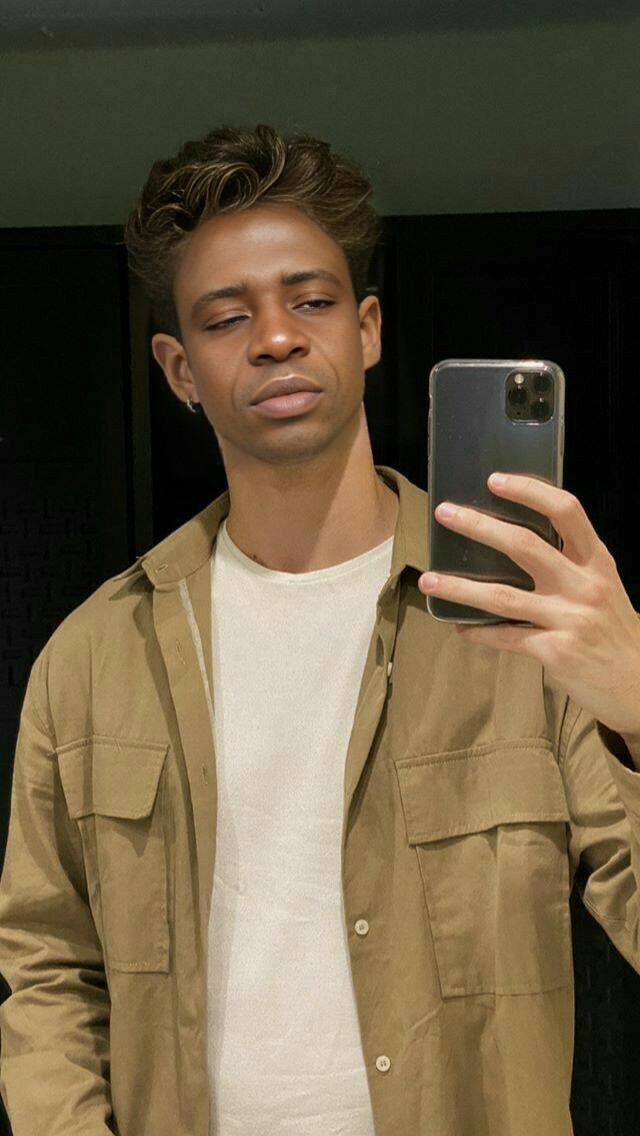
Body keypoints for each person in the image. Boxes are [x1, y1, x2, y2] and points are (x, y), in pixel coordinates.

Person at [1, 123, 639, 1136]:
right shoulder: (93, 660)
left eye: (311, 300)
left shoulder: (526, 627)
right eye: (227, 317)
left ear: (368, 328)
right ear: (177, 367)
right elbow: (47, 965)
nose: (276, 337)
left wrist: (639, 707)